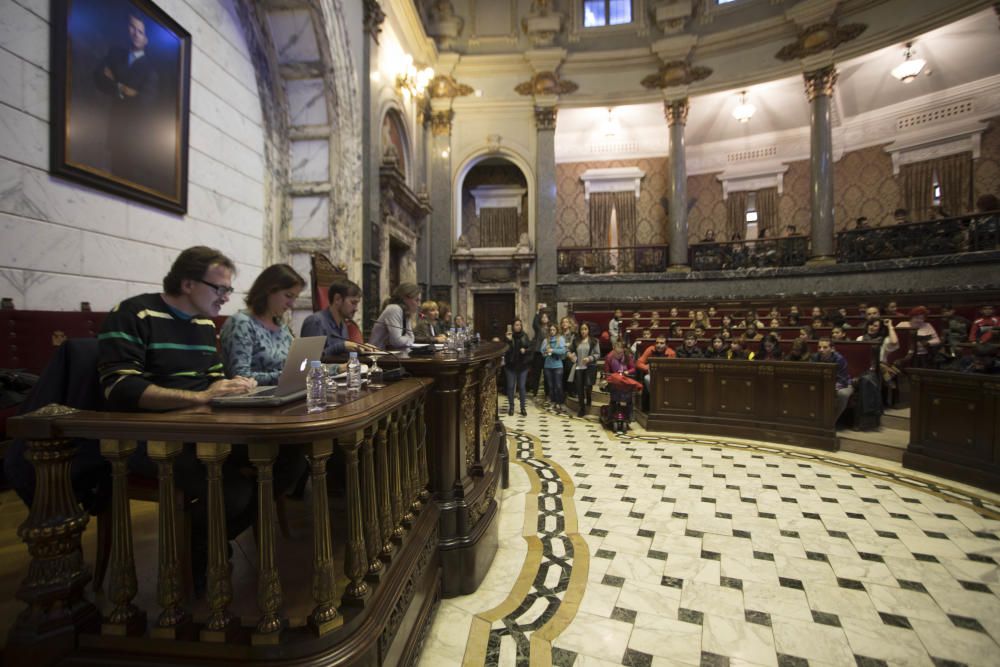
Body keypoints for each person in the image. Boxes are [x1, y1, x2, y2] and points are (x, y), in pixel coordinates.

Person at [98, 246, 259, 595]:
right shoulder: (133, 313)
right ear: (187, 284)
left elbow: (213, 376)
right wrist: (202, 398)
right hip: (149, 438)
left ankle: (205, 542)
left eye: (229, 290)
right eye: (220, 289)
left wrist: (233, 387)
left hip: (201, 429)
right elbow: (121, 388)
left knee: (283, 463)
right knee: (235, 489)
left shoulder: (202, 323)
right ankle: (199, 553)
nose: (226, 298)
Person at [95, 12, 163, 190]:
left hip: (136, 142)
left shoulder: (150, 71)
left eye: (140, 31)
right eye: (132, 28)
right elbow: (99, 78)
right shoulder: (115, 54)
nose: (135, 33)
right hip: (113, 132)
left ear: (146, 39)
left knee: (127, 181)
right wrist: (124, 89)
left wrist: (115, 83)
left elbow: (143, 105)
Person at [221, 264, 308, 385]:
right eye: (288, 296)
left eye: (295, 298)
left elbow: (298, 365)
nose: (291, 304)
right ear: (269, 290)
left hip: (281, 393)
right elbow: (240, 376)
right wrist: (286, 376)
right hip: (253, 398)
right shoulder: (242, 323)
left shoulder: (281, 325)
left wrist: (336, 368)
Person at [301, 278, 372, 357]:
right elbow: (308, 358)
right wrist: (341, 347)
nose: (356, 309)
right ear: (337, 299)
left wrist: (363, 349)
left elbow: (341, 356)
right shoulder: (315, 321)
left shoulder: (343, 324)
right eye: (353, 303)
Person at [812, 337, 853, 422]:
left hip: (843, 384)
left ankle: (830, 422)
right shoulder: (815, 357)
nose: (821, 350)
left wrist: (829, 387)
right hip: (823, 383)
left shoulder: (840, 359)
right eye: (819, 347)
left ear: (832, 349)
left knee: (843, 394)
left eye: (825, 347)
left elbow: (842, 380)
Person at [370, 282, 421, 350]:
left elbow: (411, 337)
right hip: (377, 355)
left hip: (391, 353)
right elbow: (396, 341)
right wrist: (409, 338)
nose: (419, 304)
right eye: (416, 300)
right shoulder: (394, 309)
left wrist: (408, 338)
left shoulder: (406, 312)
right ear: (405, 298)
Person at [568, 322, 600, 417]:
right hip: (578, 368)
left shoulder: (594, 341)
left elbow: (598, 354)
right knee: (579, 388)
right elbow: (569, 350)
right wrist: (569, 354)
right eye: (582, 329)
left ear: (589, 330)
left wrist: (589, 358)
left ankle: (589, 398)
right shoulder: (576, 340)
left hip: (589, 367)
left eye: (585, 329)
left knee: (588, 387)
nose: (583, 331)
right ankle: (582, 408)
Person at [503, 319, 532, 416]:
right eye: (516, 325)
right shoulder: (508, 337)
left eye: (520, 325)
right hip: (510, 366)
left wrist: (525, 350)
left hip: (522, 366)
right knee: (510, 387)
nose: (518, 326)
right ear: (513, 326)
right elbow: (506, 351)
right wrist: (509, 340)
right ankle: (511, 407)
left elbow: (530, 349)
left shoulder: (525, 336)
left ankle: (522, 408)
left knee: (522, 387)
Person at [604, 339, 637, 423]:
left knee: (629, 398)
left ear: (623, 350)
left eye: (620, 353)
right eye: (616, 353)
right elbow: (607, 372)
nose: (618, 355)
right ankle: (610, 414)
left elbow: (633, 368)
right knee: (614, 397)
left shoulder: (627, 356)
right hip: (614, 380)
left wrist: (627, 372)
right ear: (613, 350)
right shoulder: (609, 357)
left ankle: (630, 414)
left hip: (625, 379)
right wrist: (608, 379)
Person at [541, 323, 567, 412]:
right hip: (548, 366)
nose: (552, 332)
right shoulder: (545, 340)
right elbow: (542, 352)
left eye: (554, 330)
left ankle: (560, 402)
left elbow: (563, 351)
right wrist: (545, 353)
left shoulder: (560, 339)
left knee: (558, 385)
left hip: (558, 365)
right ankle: (553, 401)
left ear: (556, 331)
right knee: (551, 386)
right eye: (550, 330)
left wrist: (553, 350)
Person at [528, 309, 551, 398]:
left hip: (547, 353)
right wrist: (537, 312)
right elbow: (534, 323)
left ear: (548, 319)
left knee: (546, 373)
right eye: (543, 317)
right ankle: (535, 391)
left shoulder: (551, 328)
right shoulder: (538, 328)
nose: (544, 318)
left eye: (546, 317)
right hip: (538, 353)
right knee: (536, 373)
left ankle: (547, 392)